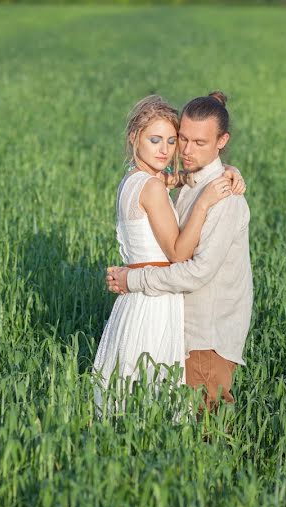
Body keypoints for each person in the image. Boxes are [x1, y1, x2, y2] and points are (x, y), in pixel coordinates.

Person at [93, 95, 245, 415]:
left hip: (183, 320)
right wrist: (210, 189)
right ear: (134, 138)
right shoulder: (159, 185)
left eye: (172, 141)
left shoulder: (208, 194)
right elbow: (179, 249)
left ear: (221, 142)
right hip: (160, 308)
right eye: (181, 140)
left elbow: (195, 268)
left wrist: (226, 170)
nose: (177, 150)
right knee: (150, 401)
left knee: (144, 400)